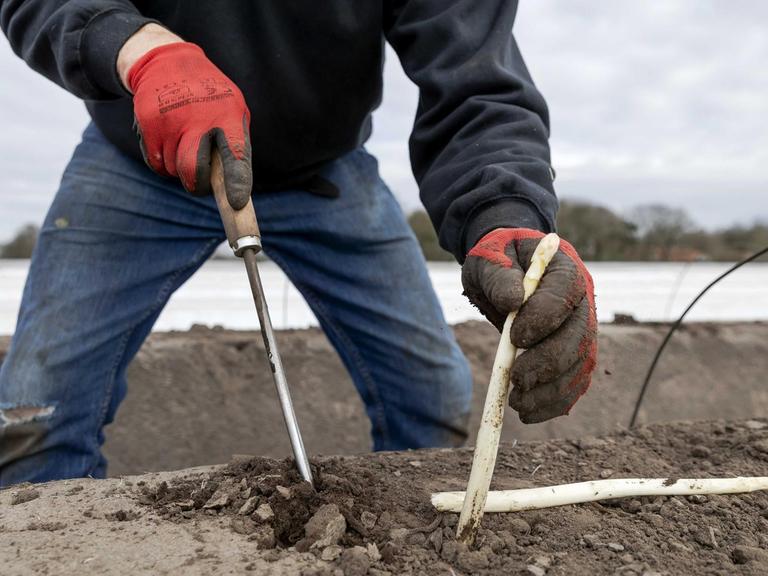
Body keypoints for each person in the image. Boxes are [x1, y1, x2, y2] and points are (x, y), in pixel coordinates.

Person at [0, 1, 597, 486]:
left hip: (325, 175)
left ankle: (409, 533)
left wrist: (505, 214)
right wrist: (141, 50)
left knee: (433, 392)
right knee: (36, 410)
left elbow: (475, 79)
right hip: (138, 163)